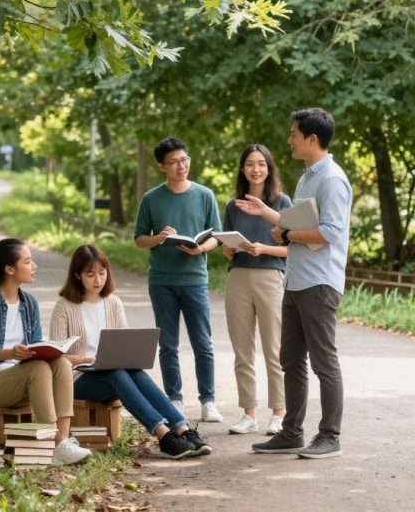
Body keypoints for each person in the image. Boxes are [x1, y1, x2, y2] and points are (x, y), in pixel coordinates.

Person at [240, 108, 352, 459]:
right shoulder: (306, 178)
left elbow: (331, 232)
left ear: (312, 139)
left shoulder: (332, 179)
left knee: (323, 360)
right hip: (296, 280)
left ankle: (330, 435)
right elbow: (298, 223)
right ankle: (291, 432)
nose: (289, 139)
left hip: (320, 282)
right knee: (290, 358)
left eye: (294, 134)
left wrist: (287, 233)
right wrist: (273, 218)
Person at [51, 244, 212, 459]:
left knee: (134, 372)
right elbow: (56, 355)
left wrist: (128, 356)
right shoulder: (64, 307)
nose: (98, 280)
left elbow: (124, 343)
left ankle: (182, 429)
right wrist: (90, 359)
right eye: (90, 275)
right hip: (77, 379)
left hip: (111, 371)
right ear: (77, 275)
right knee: (115, 373)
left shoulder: (113, 303)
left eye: (102, 273)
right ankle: (163, 434)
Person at [0, 238, 91, 465]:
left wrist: (56, 352)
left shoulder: (29, 303)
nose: (34, 266)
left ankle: (63, 440)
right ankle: (55, 443)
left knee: (60, 363)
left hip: (22, 376)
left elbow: (37, 344)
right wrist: (10, 354)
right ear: (9, 269)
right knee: (38, 368)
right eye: (28, 262)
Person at [134, 136, 223, 422]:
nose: (180, 166)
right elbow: (139, 240)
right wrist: (158, 238)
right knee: (168, 344)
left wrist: (200, 249)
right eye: (173, 162)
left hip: (195, 279)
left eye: (184, 160)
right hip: (162, 281)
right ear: (162, 166)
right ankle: (174, 398)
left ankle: (208, 400)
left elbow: (217, 238)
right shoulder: (151, 198)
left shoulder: (204, 195)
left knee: (203, 342)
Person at [221, 145, 291, 435]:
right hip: (238, 276)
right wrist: (231, 247)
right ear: (242, 169)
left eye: (261, 164)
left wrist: (263, 248)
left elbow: (292, 248)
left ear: (269, 168)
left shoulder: (282, 203)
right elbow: (226, 251)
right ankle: (248, 414)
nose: (256, 169)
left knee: (273, 348)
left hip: (270, 277)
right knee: (242, 350)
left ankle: (278, 413)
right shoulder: (232, 205)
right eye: (250, 164)